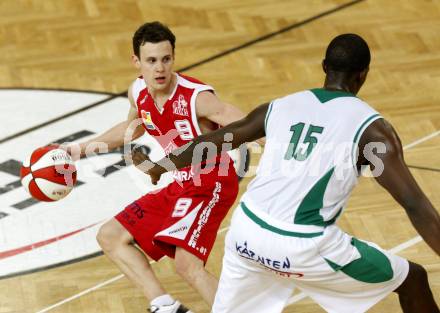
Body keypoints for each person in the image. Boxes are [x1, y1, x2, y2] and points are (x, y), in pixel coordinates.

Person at [146, 34, 440, 313]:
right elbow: (414, 204)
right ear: (363, 74)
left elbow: (220, 138)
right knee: (412, 279)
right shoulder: (373, 129)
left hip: (246, 233)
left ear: (324, 67)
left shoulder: (280, 106)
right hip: (305, 245)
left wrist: (163, 165)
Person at [66, 21, 246, 313]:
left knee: (188, 266)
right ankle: (165, 306)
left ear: (173, 58)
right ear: (136, 61)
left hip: (212, 183)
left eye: (166, 59)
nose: (160, 68)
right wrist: (75, 150)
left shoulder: (196, 97)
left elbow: (245, 126)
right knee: (111, 236)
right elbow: (132, 128)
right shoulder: (138, 91)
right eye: (151, 61)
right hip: (181, 183)